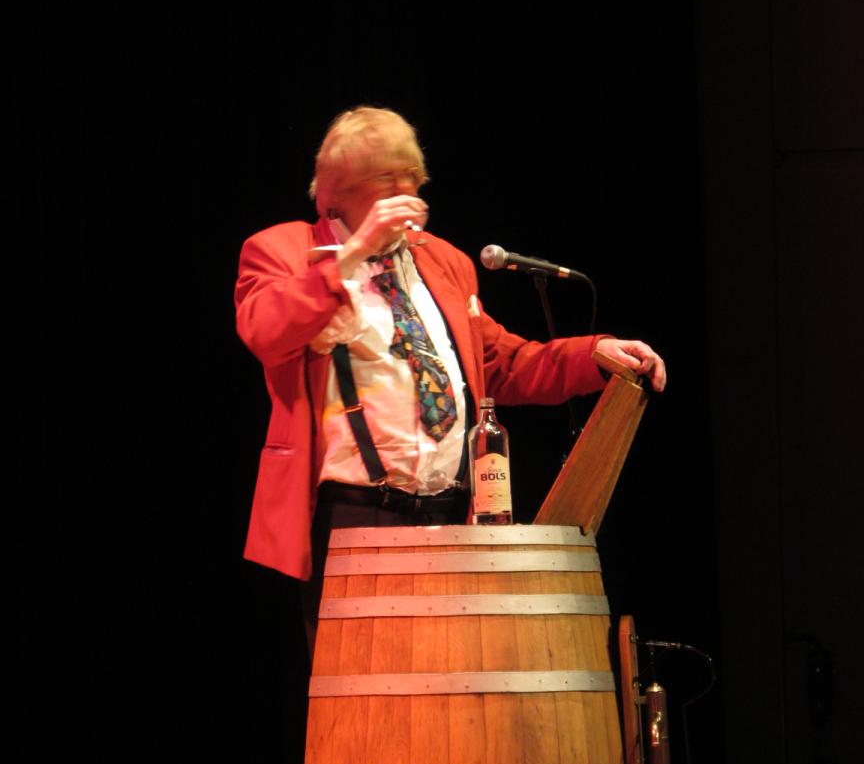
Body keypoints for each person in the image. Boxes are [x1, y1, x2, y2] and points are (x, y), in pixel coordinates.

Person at [236, 107, 665, 631]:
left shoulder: (443, 261)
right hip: (354, 514)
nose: (403, 189)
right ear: (337, 190)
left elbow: (501, 364)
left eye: (410, 176)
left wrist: (595, 353)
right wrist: (355, 252)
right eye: (384, 177)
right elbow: (265, 328)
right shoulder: (283, 249)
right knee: (366, 679)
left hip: (453, 512)